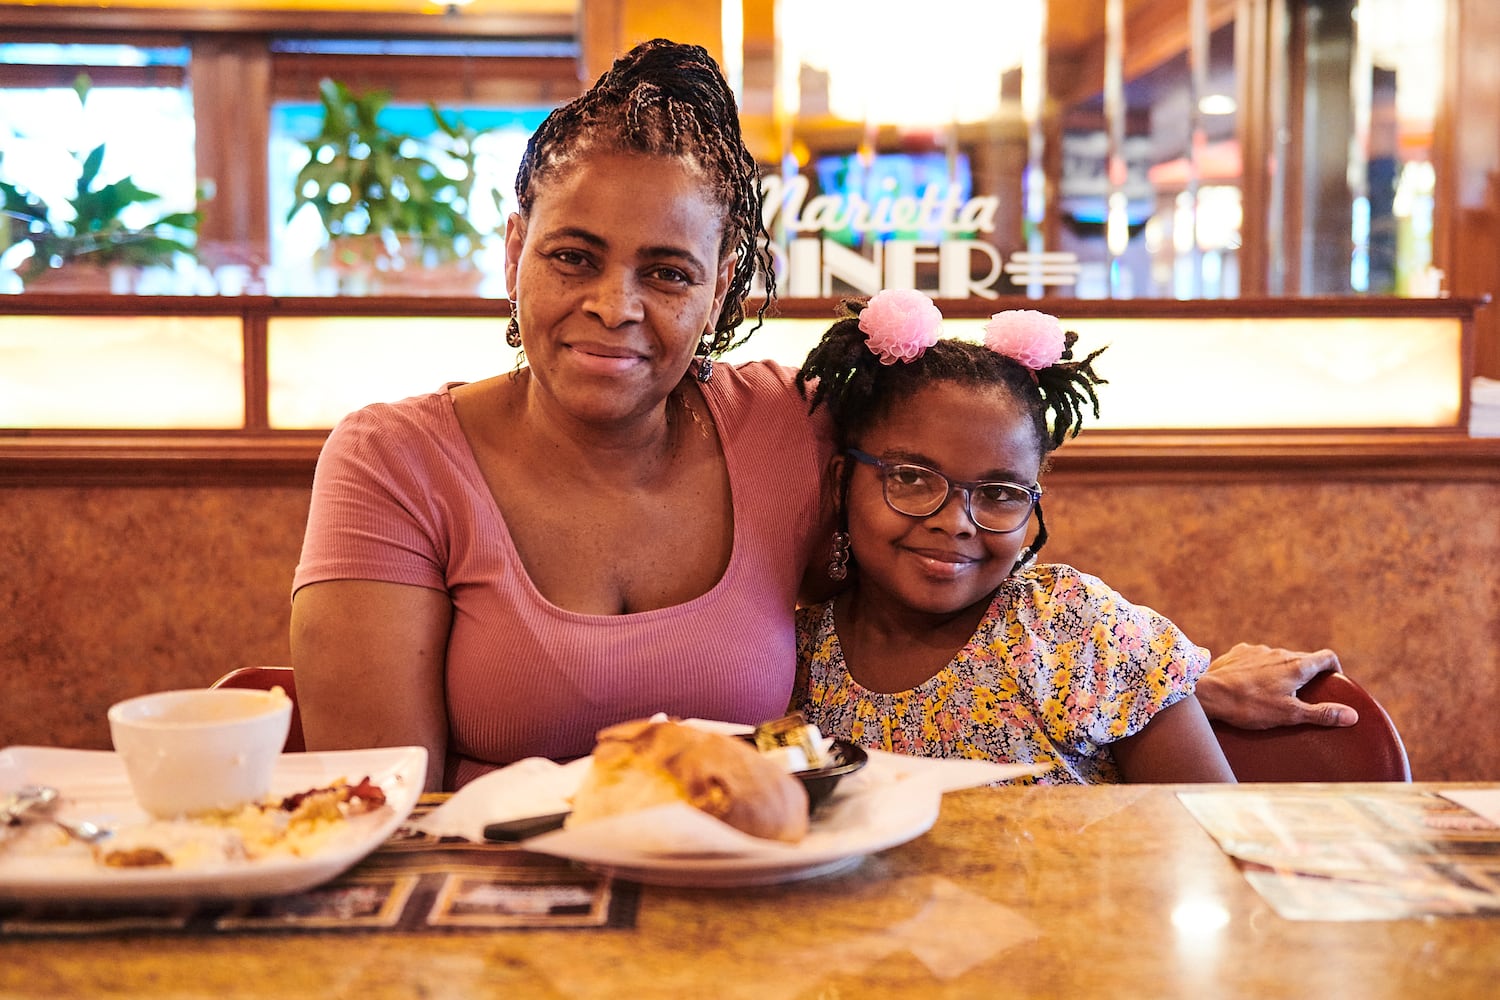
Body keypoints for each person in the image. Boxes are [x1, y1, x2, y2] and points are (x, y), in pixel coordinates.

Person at [290, 38, 1349, 792]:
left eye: (667, 271)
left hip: (760, 913)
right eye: (574, 256)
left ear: (721, 289)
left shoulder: (789, 426)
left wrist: (1167, 685)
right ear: (515, 248)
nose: (616, 306)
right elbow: (381, 802)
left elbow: (955, 535)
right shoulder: (395, 460)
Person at [793, 294, 1234, 782]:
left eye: (999, 493)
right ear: (843, 482)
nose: (956, 522)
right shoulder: (795, 660)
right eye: (912, 478)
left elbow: (1208, 817)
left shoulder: (1075, 629)